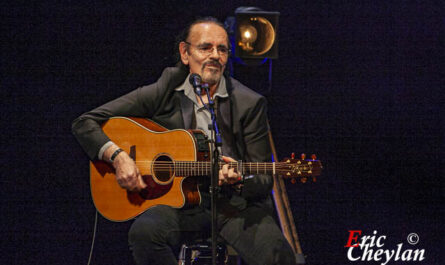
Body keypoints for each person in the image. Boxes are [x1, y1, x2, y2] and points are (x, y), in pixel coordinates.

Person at [72, 17, 295, 265]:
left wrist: (240, 179)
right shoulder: (166, 88)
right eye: (205, 47)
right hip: (179, 206)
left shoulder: (249, 103)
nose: (215, 55)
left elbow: (264, 179)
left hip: (232, 206)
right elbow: (85, 123)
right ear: (185, 53)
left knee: (279, 256)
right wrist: (118, 156)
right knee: (144, 233)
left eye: (222, 49)